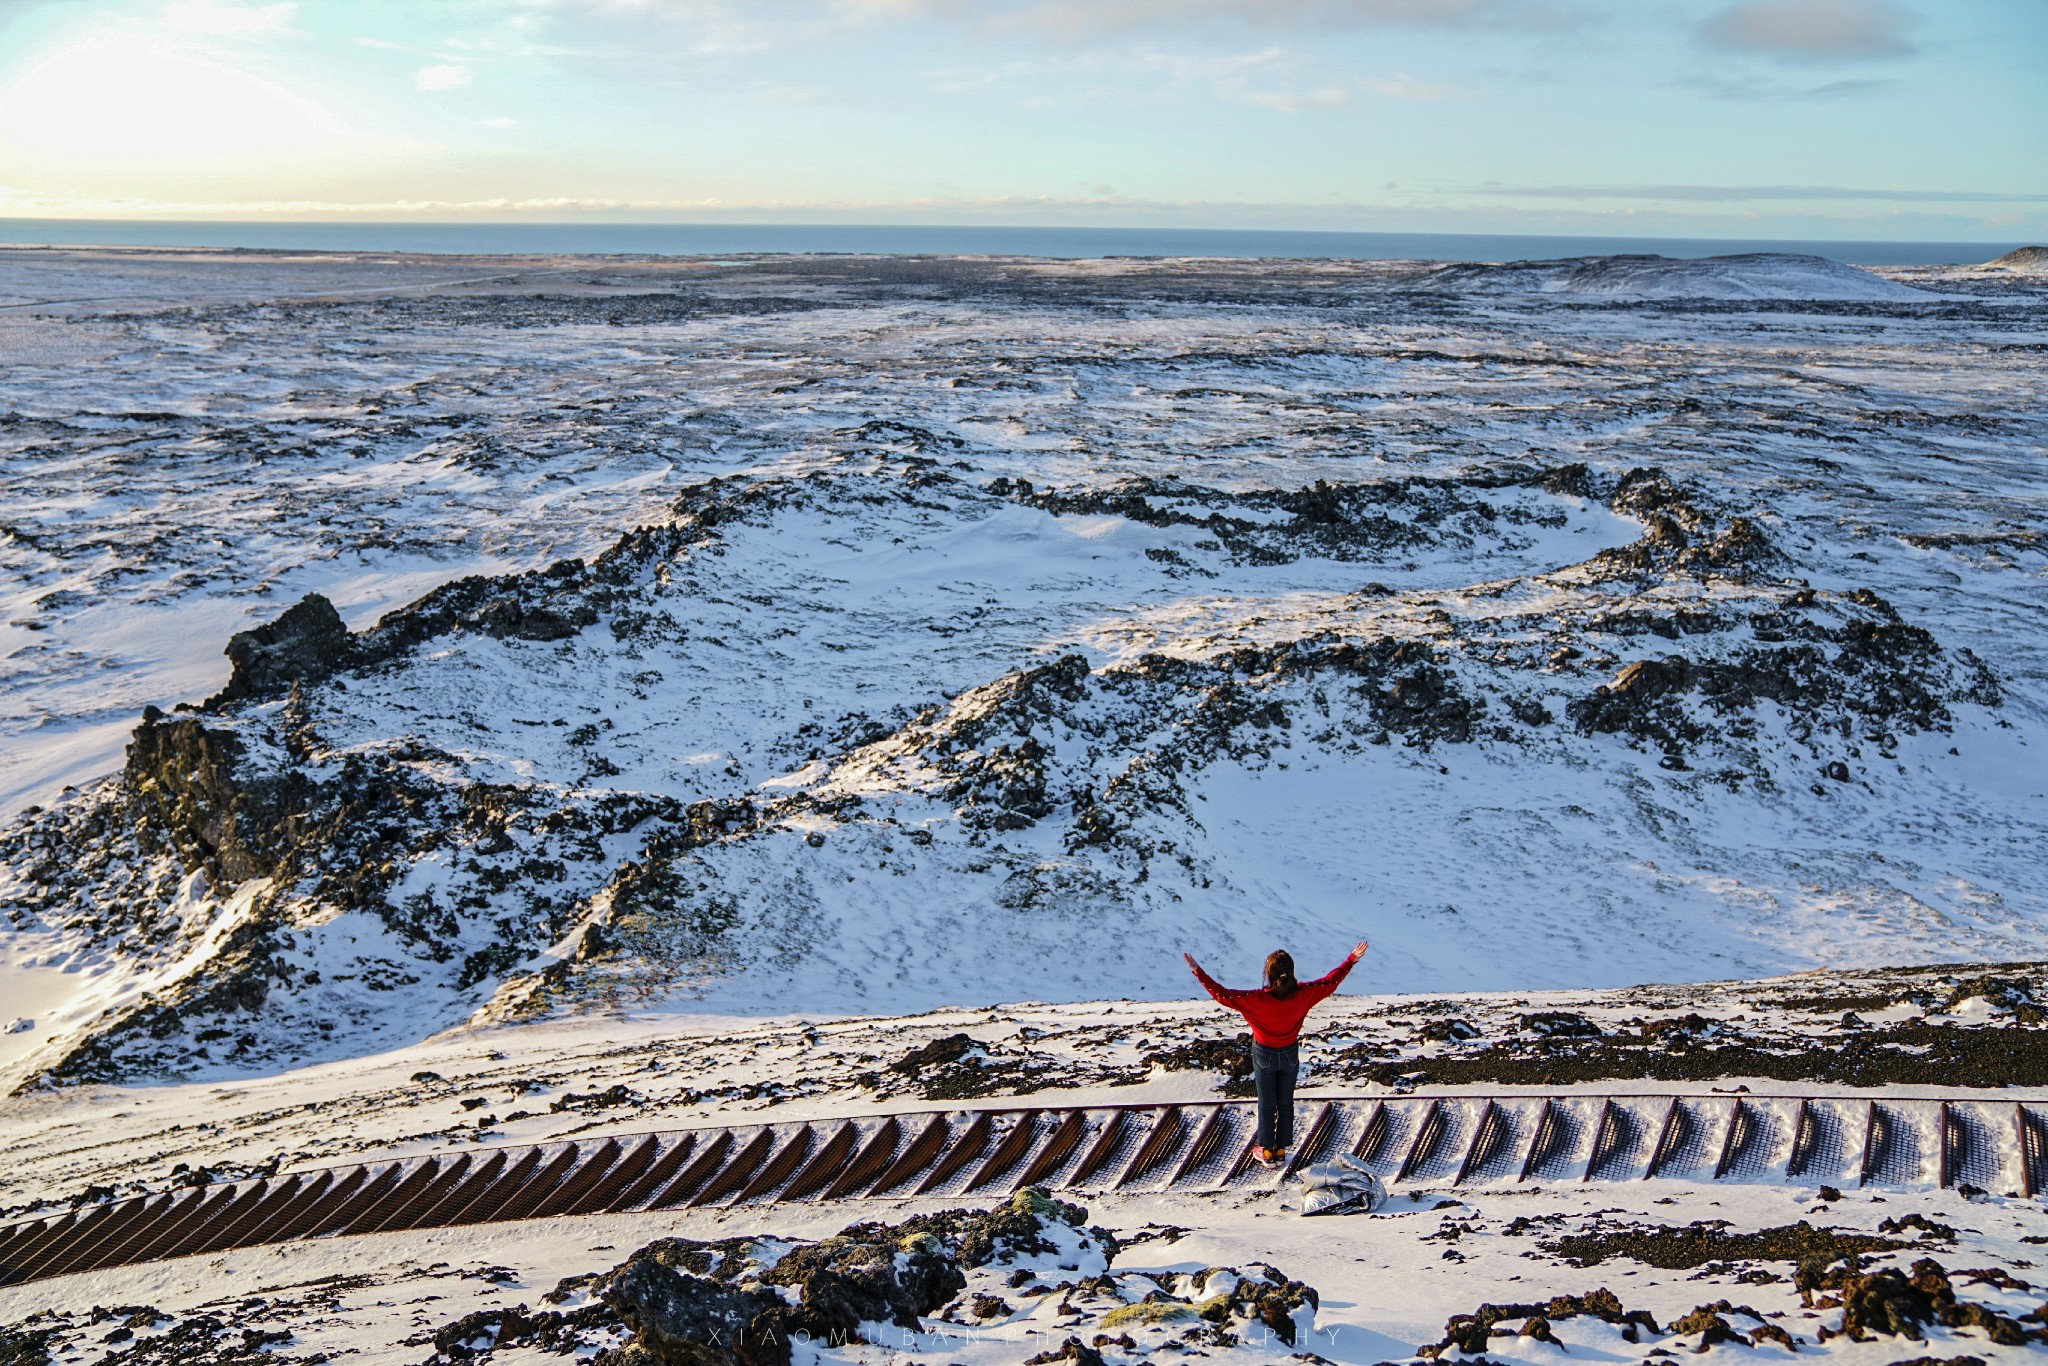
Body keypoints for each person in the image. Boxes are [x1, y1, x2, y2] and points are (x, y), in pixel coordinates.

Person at [1184, 940, 1369, 1167]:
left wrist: (1198, 972)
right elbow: (1330, 981)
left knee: (1267, 1103)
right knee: (1285, 1102)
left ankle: (1266, 1151)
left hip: (1264, 1054)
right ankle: (1280, 1150)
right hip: (1290, 1052)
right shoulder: (1304, 994)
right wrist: (1351, 960)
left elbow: (1221, 994)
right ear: (1291, 971)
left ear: (1269, 974)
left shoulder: (1255, 999)